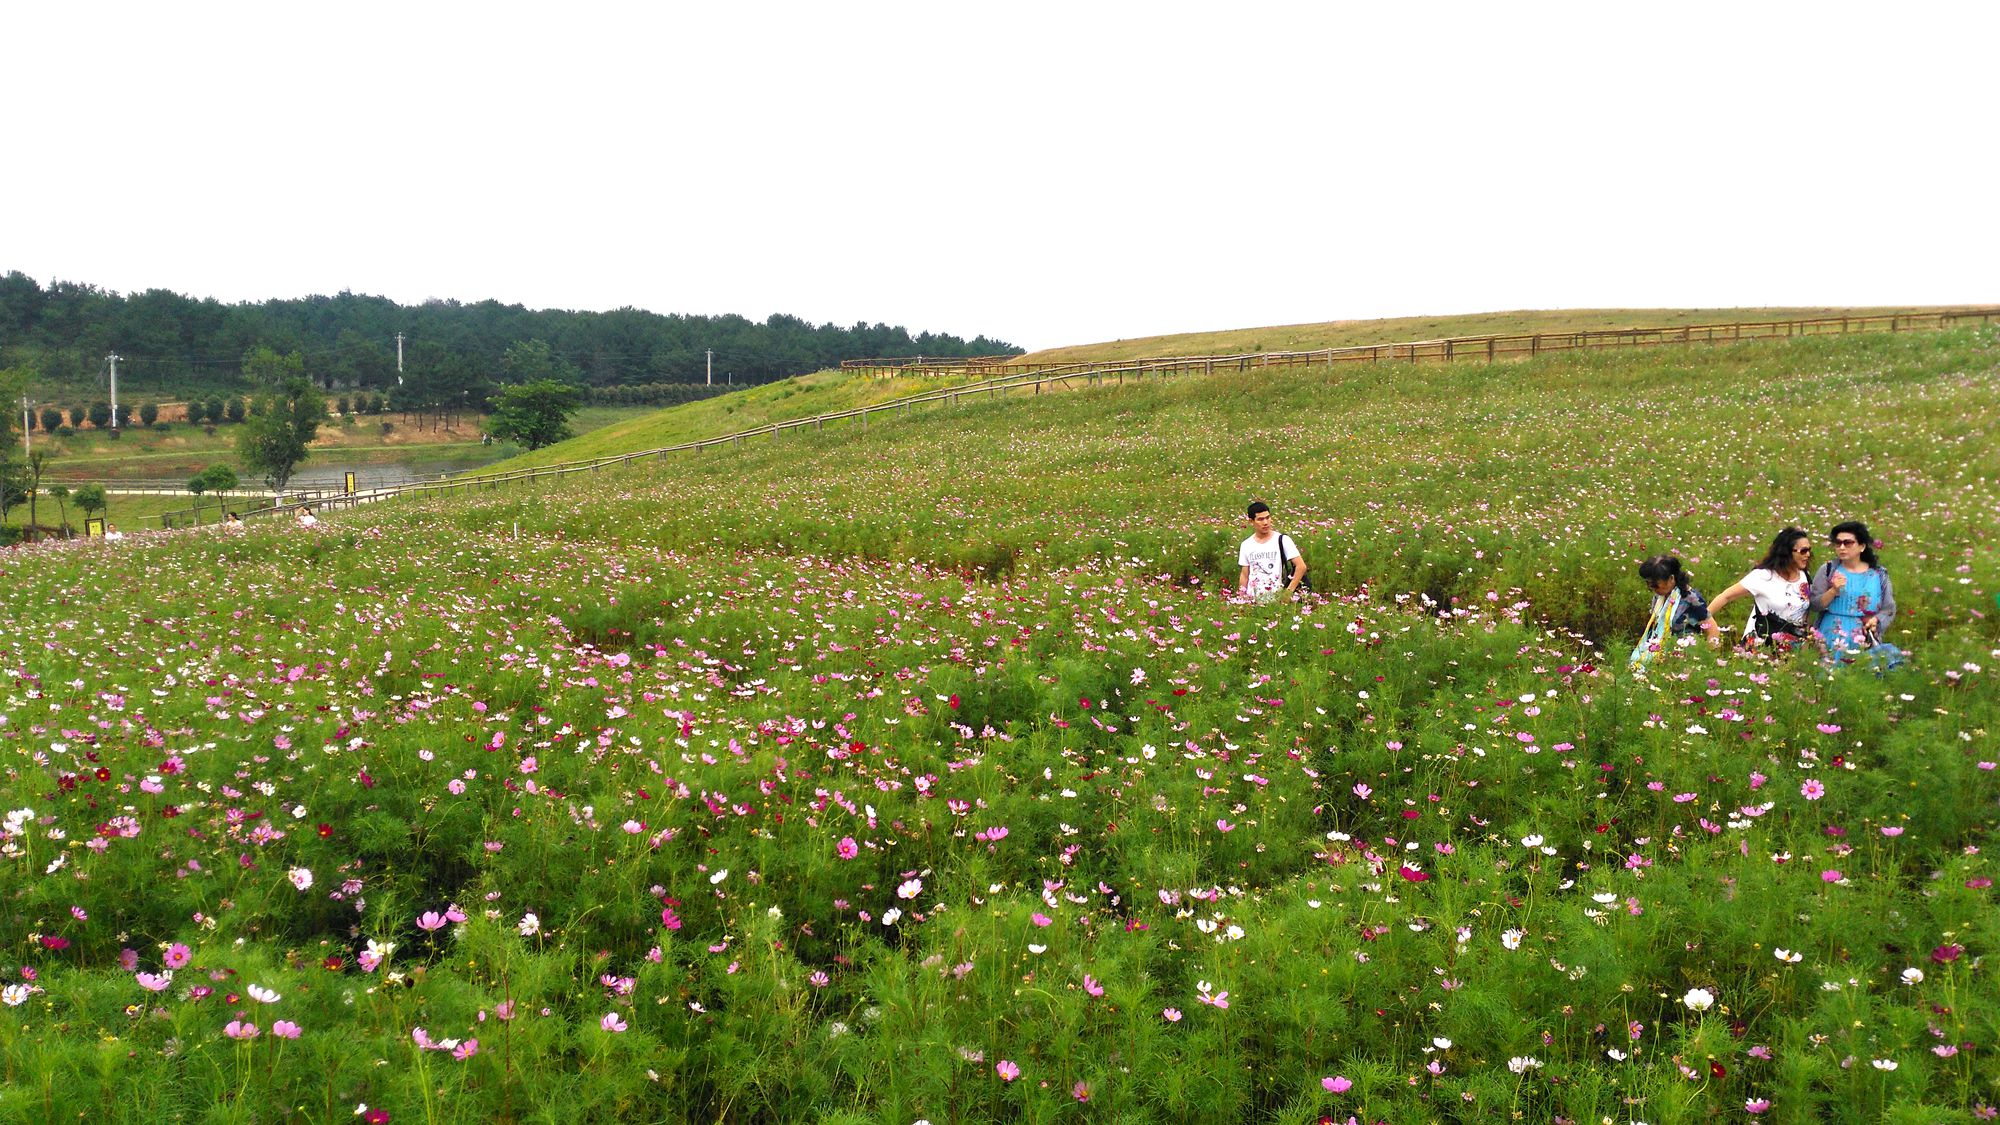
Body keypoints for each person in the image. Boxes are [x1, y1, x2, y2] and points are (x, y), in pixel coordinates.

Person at [1706, 528, 1819, 654]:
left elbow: (1804, 612)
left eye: (1809, 550)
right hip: (1762, 647)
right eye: (1803, 551)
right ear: (1786, 552)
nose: (1808, 555)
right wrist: (1704, 621)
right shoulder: (1762, 576)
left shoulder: (1804, 576)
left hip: (1793, 648)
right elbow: (1726, 596)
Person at [1810, 521, 1903, 668]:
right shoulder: (1828, 570)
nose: (1841, 547)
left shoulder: (1879, 574)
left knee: (1862, 676)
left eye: (1848, 543)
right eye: (1838, 543)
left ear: (1862, 546)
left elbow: (1888, 608)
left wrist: (1876, 621)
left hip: (1863, 636)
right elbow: (1814, 604)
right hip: (1831, 634)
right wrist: (1833, 591)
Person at [1630, 554, 1720, 665]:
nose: (1651, 588)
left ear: (1671, 578)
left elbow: (1712, 630)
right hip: (1659, 657)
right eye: (1648, 584)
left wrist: (1705, 658)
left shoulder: (1690, 599)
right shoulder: (1659, 597)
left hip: (1683, 658)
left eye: (1655, 585)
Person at [1237, 500, 1306, 602]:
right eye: (1260, 519)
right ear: (1251, 521)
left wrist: (1287, 593)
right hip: (1253, 600)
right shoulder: (1246, 545)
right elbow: (1244, 575)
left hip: (1276, 600)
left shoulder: (1282, 540)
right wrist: (1241, 599)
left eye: (1267, 517)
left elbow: (1301, 567)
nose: (1265, 522)